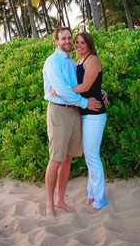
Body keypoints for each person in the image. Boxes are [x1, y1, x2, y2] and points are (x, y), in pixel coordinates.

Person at [42, 26, 102, 217]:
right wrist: (85, 102)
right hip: (59, 112)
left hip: (74, 112)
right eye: (64, 38)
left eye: (70, 38)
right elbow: (62, 90)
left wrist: (101, 92)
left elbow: (82, 85)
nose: (68, 41)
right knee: (55, 159)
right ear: (56, 41)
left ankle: (60, 201)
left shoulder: (71, 63)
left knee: (67, 159)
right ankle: (49, 204)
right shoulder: (52, 62)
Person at [72, 31, 108, 211]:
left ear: (89, 44)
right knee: (89, 156)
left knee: (92, 156)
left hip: (95, 114)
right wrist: (102, 91)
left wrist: (61, 91)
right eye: (77, 42)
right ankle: (91, 193)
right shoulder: (79, 61)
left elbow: (86, 86)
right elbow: (94, 85)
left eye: (82, 42)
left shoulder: (92, 60)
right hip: (85, 113)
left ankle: (100, 199)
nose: (78, 45)